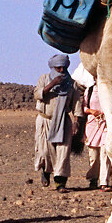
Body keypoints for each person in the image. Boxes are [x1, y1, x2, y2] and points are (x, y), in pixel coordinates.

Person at [34, 53, 79, 192]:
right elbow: (37, 94)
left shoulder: (71, 84)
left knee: (63, 151)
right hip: (45, 120)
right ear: (53, 67)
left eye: (63, 68)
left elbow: (77, 104)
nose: (61, 70)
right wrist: (52, 84)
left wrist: (76, 122)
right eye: (58, 67)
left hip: (63, 121)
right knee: (45, 150)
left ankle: (60, 183)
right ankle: (46, 172)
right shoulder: (44, 78)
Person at [73, 65, 110, 190]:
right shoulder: (88, 91)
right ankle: (93, 178)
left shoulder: (109, 90)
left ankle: (104, 182)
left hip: (105, 124)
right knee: (93, 156)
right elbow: (83, 107)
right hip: (92, 125)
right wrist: (92, 111)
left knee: (105, 153)